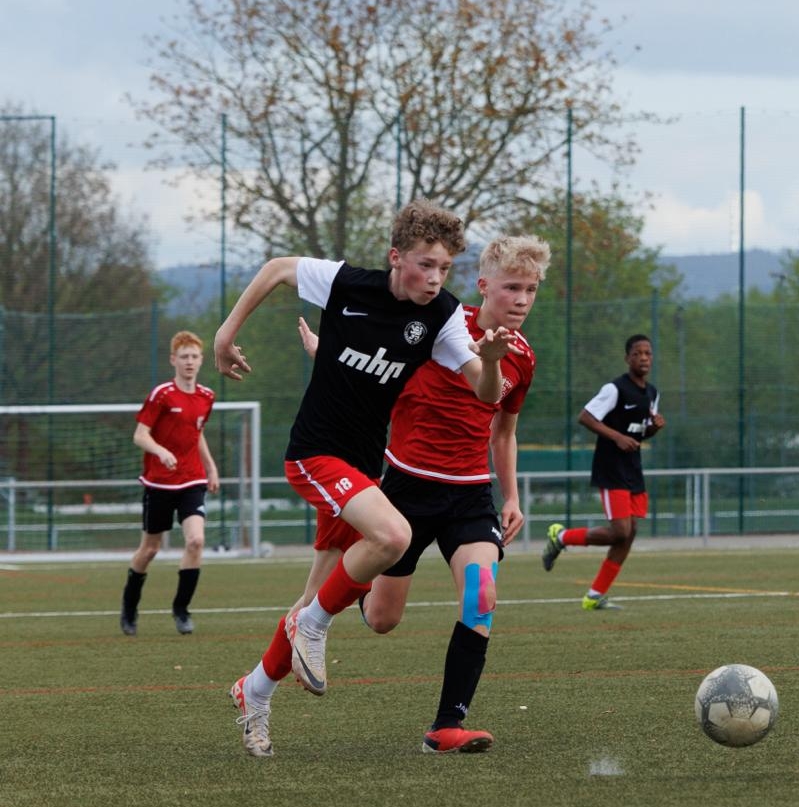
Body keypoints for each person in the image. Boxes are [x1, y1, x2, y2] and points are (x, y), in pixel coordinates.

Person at [214, 199, 512, 757]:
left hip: (360, 471)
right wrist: (225, 335)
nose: (435, 278)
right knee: (393, 536)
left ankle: (254, 690)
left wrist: (492, 360)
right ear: (396, 258)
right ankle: (313, 627)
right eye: (425, 264)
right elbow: (276, 268)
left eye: (445, 268)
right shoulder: (347, 284)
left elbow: (485, 392)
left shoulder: (442, 315)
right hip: (314, 455)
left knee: (315, 595)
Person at [282, 235, 544, 755]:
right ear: (484, 285)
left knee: (481, 595)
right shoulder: (437, 325)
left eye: (531, 290)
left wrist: (511, 497)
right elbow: (372, 367)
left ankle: (446, 725)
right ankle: (341, 598)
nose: (521, 300)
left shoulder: (523, 357)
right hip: (406, 487)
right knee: (383, 620)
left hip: (470, 496)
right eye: (511, 287)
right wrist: (328, 356)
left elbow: (503, 431)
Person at [541, 334, 665, 610]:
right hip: (611, 467)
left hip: (633, 469)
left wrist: (654, 428)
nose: (643, 358)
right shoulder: (614, 389)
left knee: (629, 534)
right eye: (637, 353)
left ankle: (594, 596)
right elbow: (585, 417)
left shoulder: (652, 393)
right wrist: (616, 437)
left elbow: (640, 433)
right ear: (627, 358)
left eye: (648, 353)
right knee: (620, 531)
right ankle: (560, 537)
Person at [120, 330, 221, 636]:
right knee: (149, 550)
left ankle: (181, 609)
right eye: (184, 356)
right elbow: (140, 435)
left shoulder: (206, 397)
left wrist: (211, 467)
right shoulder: (161, 395)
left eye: (194, 356)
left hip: (192, 480)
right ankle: (129, 608)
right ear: (173, 360)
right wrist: (161, 451)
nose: (189, 361)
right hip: (159, 484)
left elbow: (196, 433)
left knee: (196, 541)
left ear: (201, 360)